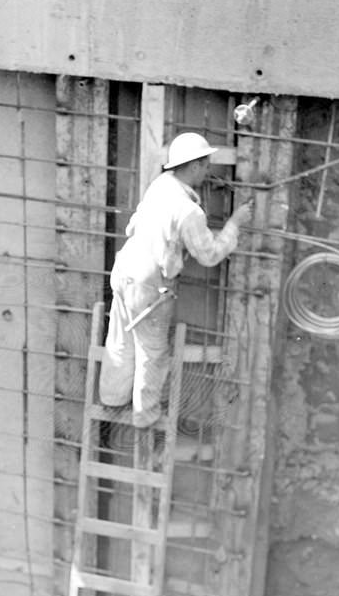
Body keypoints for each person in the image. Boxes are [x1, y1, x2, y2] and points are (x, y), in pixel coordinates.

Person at [99, 132, 253, 428]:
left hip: (125, 271)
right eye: (205, 164)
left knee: (120, 341)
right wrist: (234, 224)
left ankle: (112, 398)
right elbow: (209, 254)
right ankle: (145, 417)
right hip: (149, 287)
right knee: (152, 354)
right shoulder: (189, 211)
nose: (208, 170)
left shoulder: (160, 186)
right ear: (194, 165)